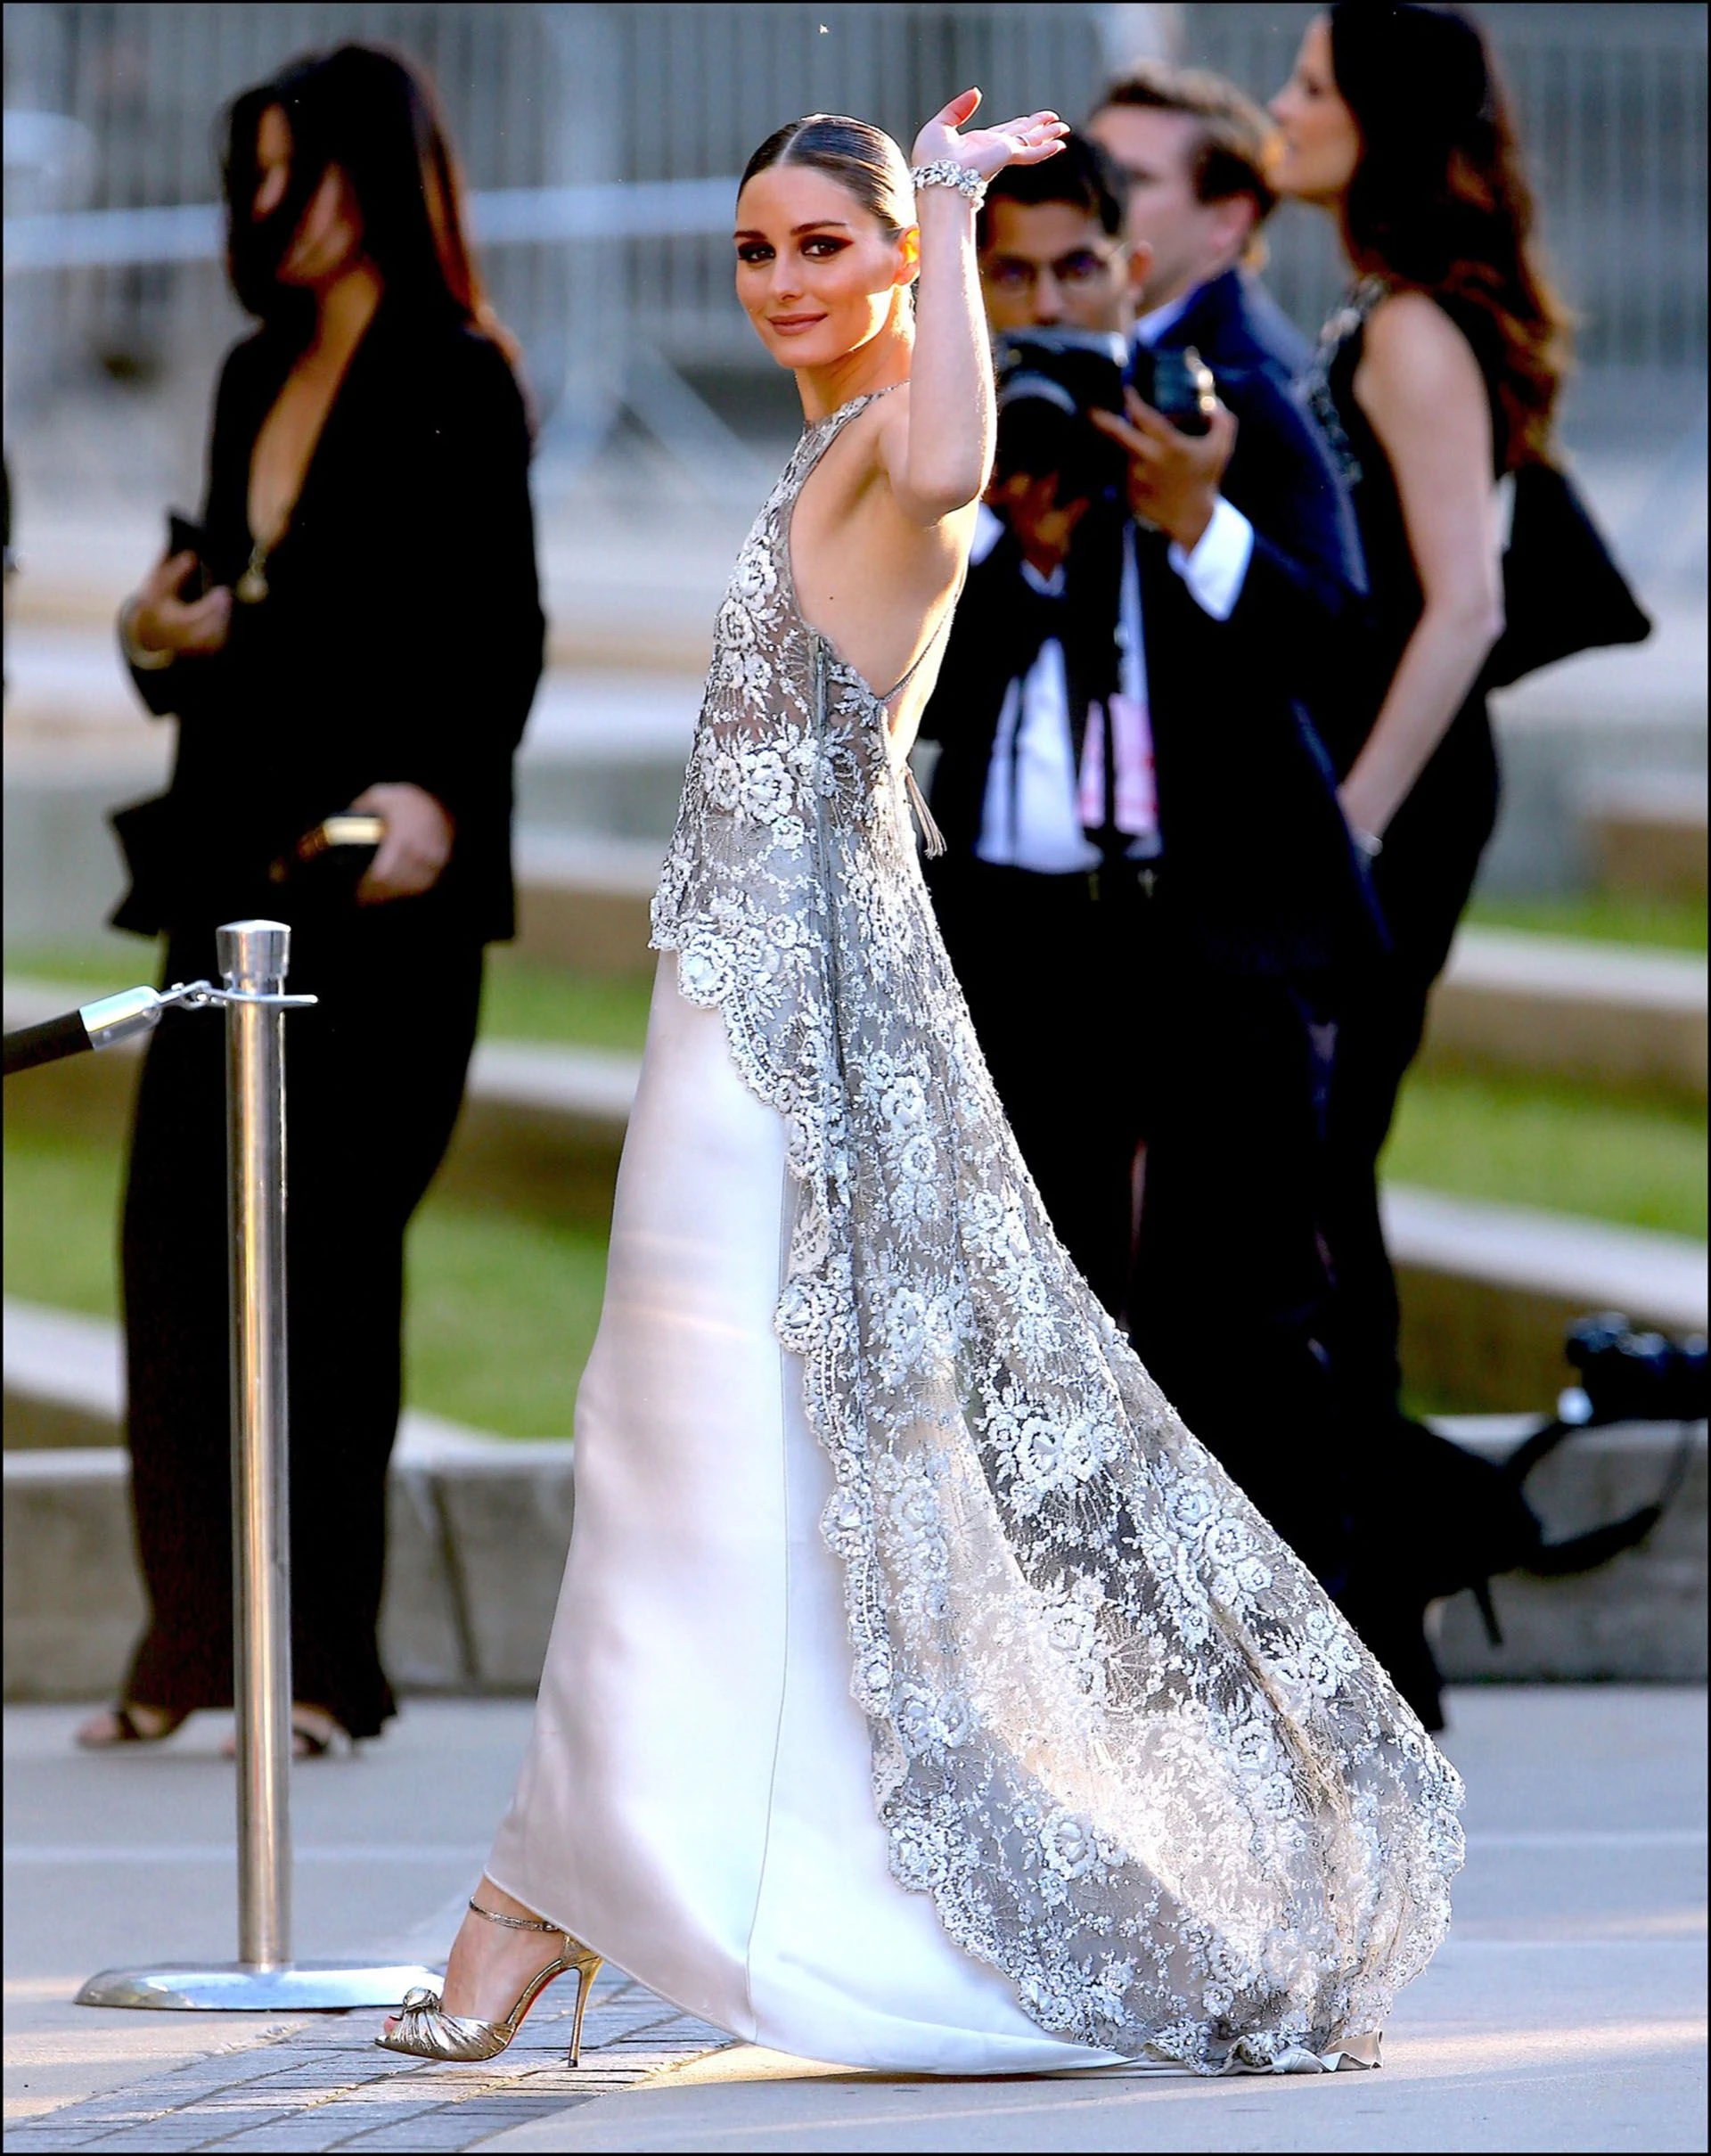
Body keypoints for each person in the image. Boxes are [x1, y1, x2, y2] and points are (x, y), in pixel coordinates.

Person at [376, 94, 1461, 2079]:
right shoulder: (831, 441)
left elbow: (963, 454)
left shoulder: (903, 443)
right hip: (748, 1004)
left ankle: (549, 1886)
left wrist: (952, 216)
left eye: (825, 245)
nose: (787, 282)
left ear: (894, 260)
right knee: (714, 1447)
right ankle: (605, 1870)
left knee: (680, 1435)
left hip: (790, 1028)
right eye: (755, 251)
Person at [77, 45, 544, 1755]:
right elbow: (211, 590)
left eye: (299, 165)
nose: (271, 200)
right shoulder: (257, 366)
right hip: (226, 879)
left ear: (375, 172)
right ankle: (187, 1639)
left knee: (332, 1273)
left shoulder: (457, 373)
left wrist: (434, 795)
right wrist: (156, 634)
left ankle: (325, 1663)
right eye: (252, 169)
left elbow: (501, 634)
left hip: (379, 897)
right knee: (172, 1258)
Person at [1270, 2, 1571, 1719]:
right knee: (1323, 1172)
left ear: (1380, 121)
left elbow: (1468, 603)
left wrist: (1353, 823)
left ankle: (1391, 1577)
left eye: (1312, 86)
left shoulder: (1410, 333)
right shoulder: (1382, 312)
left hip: (1399, 794)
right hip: (1378, 791)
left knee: (1326, 1172)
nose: (1282, 108)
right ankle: (1402, 1548)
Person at [1078, 61, 1378, 1595]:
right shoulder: (1072, 372)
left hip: (1243, 921)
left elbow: (1335, 629)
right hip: (1111, 911)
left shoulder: (1242, 383)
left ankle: (1354, 1701)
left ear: (1230, 212)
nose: (1106, 220)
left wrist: (1200, 522)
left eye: (1137, 188)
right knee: (1155, 1317)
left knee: (1250, 1325)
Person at [916, 135, 1153, 1316]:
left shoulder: (1184, 434)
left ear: (1131, 272)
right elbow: (923, 700)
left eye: (1077, 270)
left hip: (1146, 908)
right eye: (1012, 276)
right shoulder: (944, 448)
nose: (1047, 304)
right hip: (991, 908)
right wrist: (1010, 530)